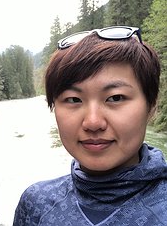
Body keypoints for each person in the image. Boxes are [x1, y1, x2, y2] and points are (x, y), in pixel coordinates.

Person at [13, 26, 167, 226]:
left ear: (151, 105)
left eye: (115, 97)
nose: (93, 122)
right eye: (74, 100)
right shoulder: (36, 204)